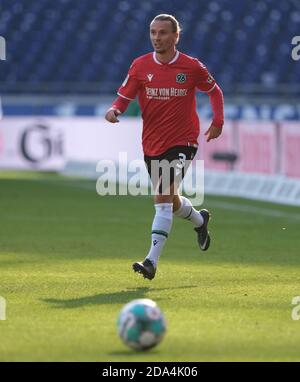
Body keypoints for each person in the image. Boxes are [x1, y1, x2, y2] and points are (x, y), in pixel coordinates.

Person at [105, 14, 224, 280]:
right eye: (153, 32)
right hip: (153, 143)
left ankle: (151, 262)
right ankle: (199, 220)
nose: (157, 38)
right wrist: (114, 110)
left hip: (184, 140)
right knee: (170, 199)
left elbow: (214, 91)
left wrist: (218, 121)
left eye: (163, 33)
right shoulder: (140, 65)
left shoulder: (191, 67)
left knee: (161, 198)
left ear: (175, 36)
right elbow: (124, 96)